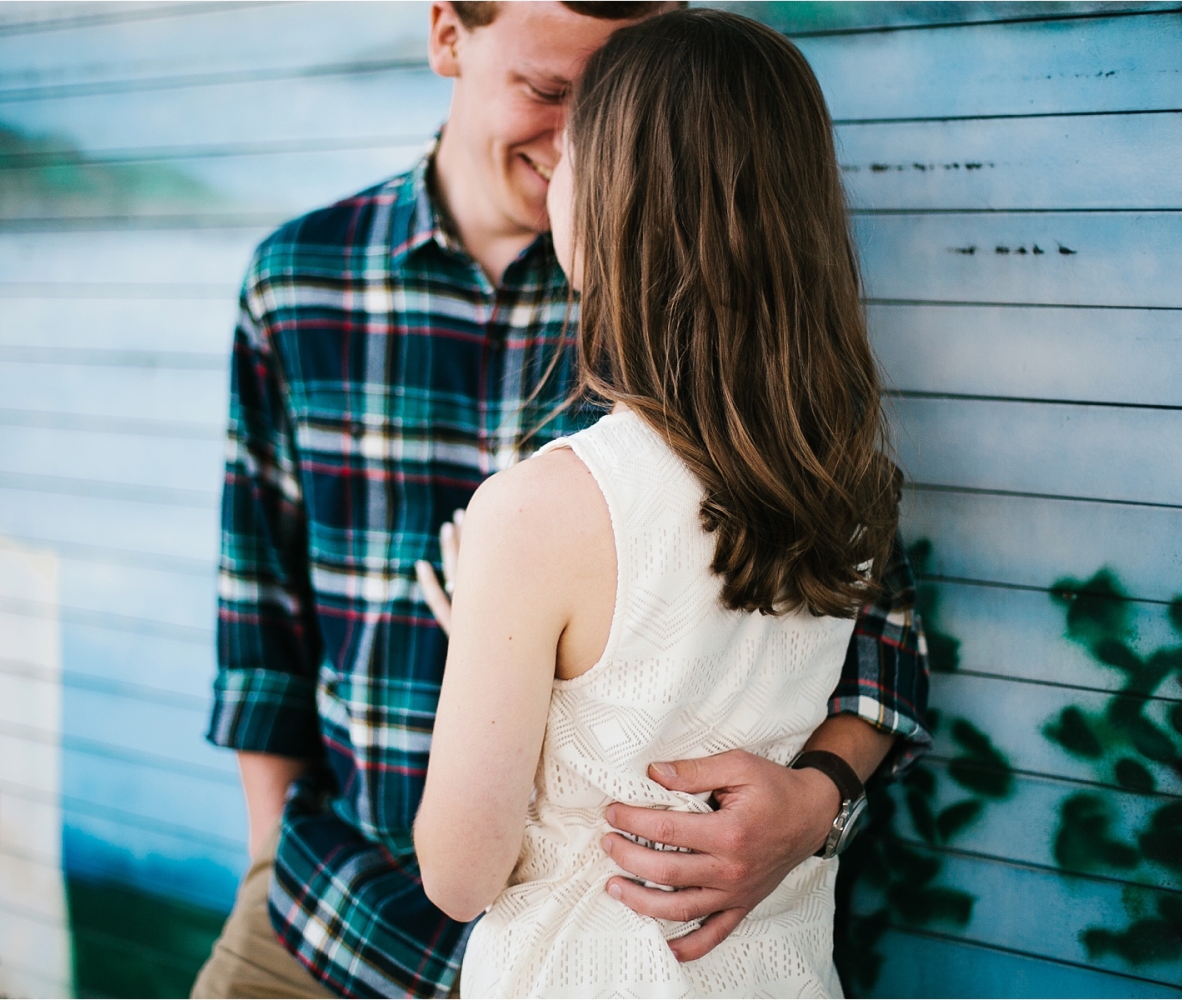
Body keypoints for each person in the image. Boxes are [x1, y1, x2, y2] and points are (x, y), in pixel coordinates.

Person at [191, 3, 930, 998]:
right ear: (448, 36)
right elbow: (258, 621)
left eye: (614, 103)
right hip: (329, 909)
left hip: (609, 942)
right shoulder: (299, 281)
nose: (581, 134)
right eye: (549, 92)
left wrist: (816, 801)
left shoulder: (683, 315)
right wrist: (267, 849)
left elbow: (880, 635)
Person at [413, 10, 901, 996]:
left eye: (577, 151)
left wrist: (484, 637)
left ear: (608, 206)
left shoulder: (537, 512)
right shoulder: (847, 471)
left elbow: (458, 875)